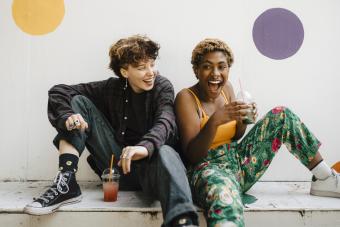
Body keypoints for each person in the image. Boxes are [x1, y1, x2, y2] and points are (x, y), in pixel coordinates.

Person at [24, 35, 199, 227]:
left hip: (154, 172)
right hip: (119, 168)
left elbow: (166, 121)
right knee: (77, 103)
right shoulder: (111, 88)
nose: (151, 72)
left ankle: (182, 221)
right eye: (142, 68)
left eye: (152, 64)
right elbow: (59, 91)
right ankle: (66, 182)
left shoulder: (162, 86)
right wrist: (67, 116)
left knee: (166, 150)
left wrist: (144, 147)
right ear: (125, 72)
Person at [174, 38, 340, 227]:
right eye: (207, 67)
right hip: (206, 171)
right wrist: (216, 120)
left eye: (222, 67)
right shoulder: (186, 97)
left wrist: (243, 119)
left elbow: (235, 136)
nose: (216, 74)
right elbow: (193, 156)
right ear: (196, 70)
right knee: (224, 198)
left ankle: (325, 178)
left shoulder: (227, 89)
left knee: (281, 115)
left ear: (228, 69)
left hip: (237, 163)